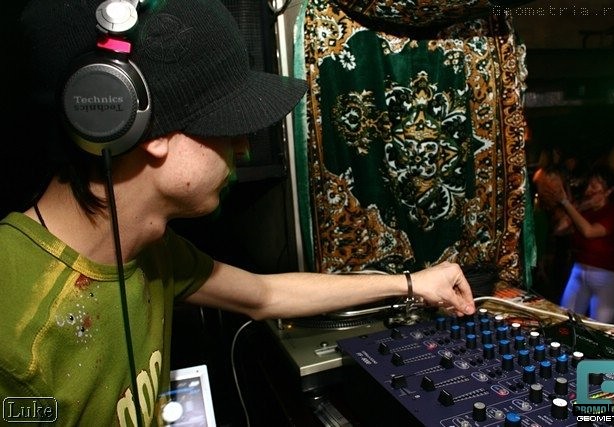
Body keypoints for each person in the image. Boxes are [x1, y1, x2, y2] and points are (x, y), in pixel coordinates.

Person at [0, 0, 476, 425]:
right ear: (144, 129)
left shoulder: (153, 252)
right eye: (228, 127)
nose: (244, 148)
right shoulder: (13, 338)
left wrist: (412, 283)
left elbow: (264, 294)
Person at [540, 163, 614, 323]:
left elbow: (589, 232)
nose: (589, 190)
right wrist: (580, 206)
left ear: (609, 191)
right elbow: (559, 229)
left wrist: (566, 202)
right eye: (589, 185)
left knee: (599, 327)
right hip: (580, 270)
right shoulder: (584, 210)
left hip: (607, 277)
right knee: (565, 319)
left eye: (595, 186)